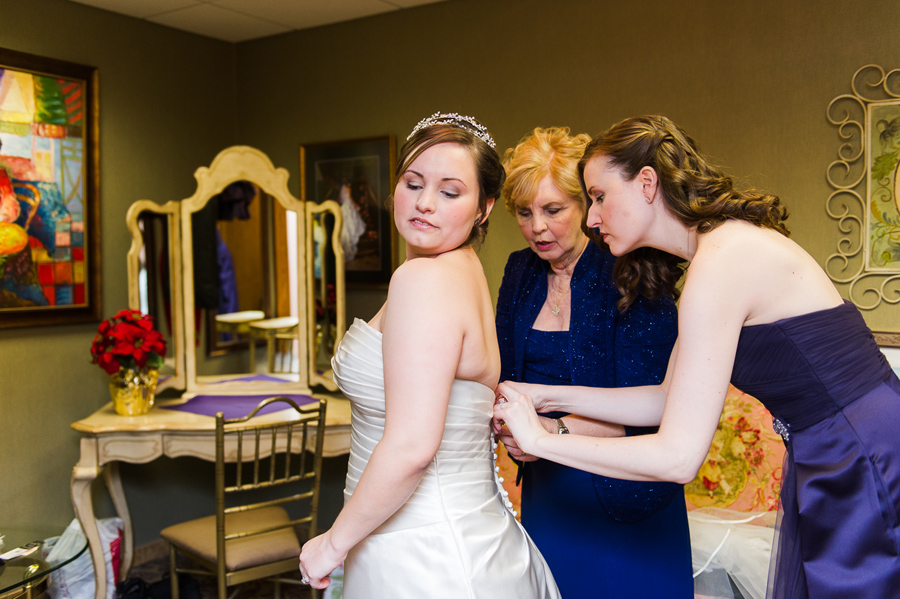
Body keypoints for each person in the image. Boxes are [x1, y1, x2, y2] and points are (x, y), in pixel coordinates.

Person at [494, 114, 900, 599]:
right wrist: (544, 394)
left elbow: (679, 457)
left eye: (600, 197)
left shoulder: (721, 262)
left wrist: (540, 440)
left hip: (863, 453)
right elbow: (664, 399)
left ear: (647, 183)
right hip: (833, 448)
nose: (592, 217)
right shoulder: (716, 253)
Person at [299, 112, 560, 599]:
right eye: (412, 182)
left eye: (449, 191)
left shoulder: (425, 279)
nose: (423, 203)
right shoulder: (464, 270)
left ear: (483, 208)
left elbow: (414, 447)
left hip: (423, 553)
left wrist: (332, 544)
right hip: (458, 537)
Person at [496, 126, 692, 598]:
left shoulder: (633, 269)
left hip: (627, 495)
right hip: (548, 490)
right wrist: (509, 426)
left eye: (553, 210)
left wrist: (548, 432)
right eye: (524, 213)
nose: (537, 227)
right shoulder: (519, 271)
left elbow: (652, 407)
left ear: (585, 205)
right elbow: (506, 375)